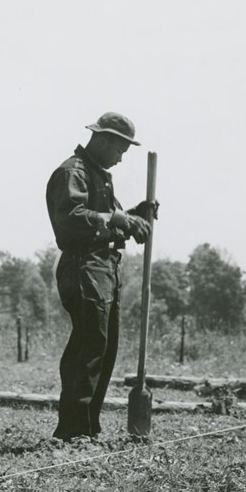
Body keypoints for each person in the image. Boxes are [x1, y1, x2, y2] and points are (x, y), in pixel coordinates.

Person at [45, 112, 157, 441]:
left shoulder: (99, 175)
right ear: (104, 139)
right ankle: (72, 432)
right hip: (83, 267)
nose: (121, 158)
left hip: (104, 267)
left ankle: (88, 429)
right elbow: (71, 217)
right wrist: (119, 218)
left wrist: (138, 215)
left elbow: (111, 219)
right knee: (88, 347)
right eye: (120, 150)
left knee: (104, 349)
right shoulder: (72, 172)